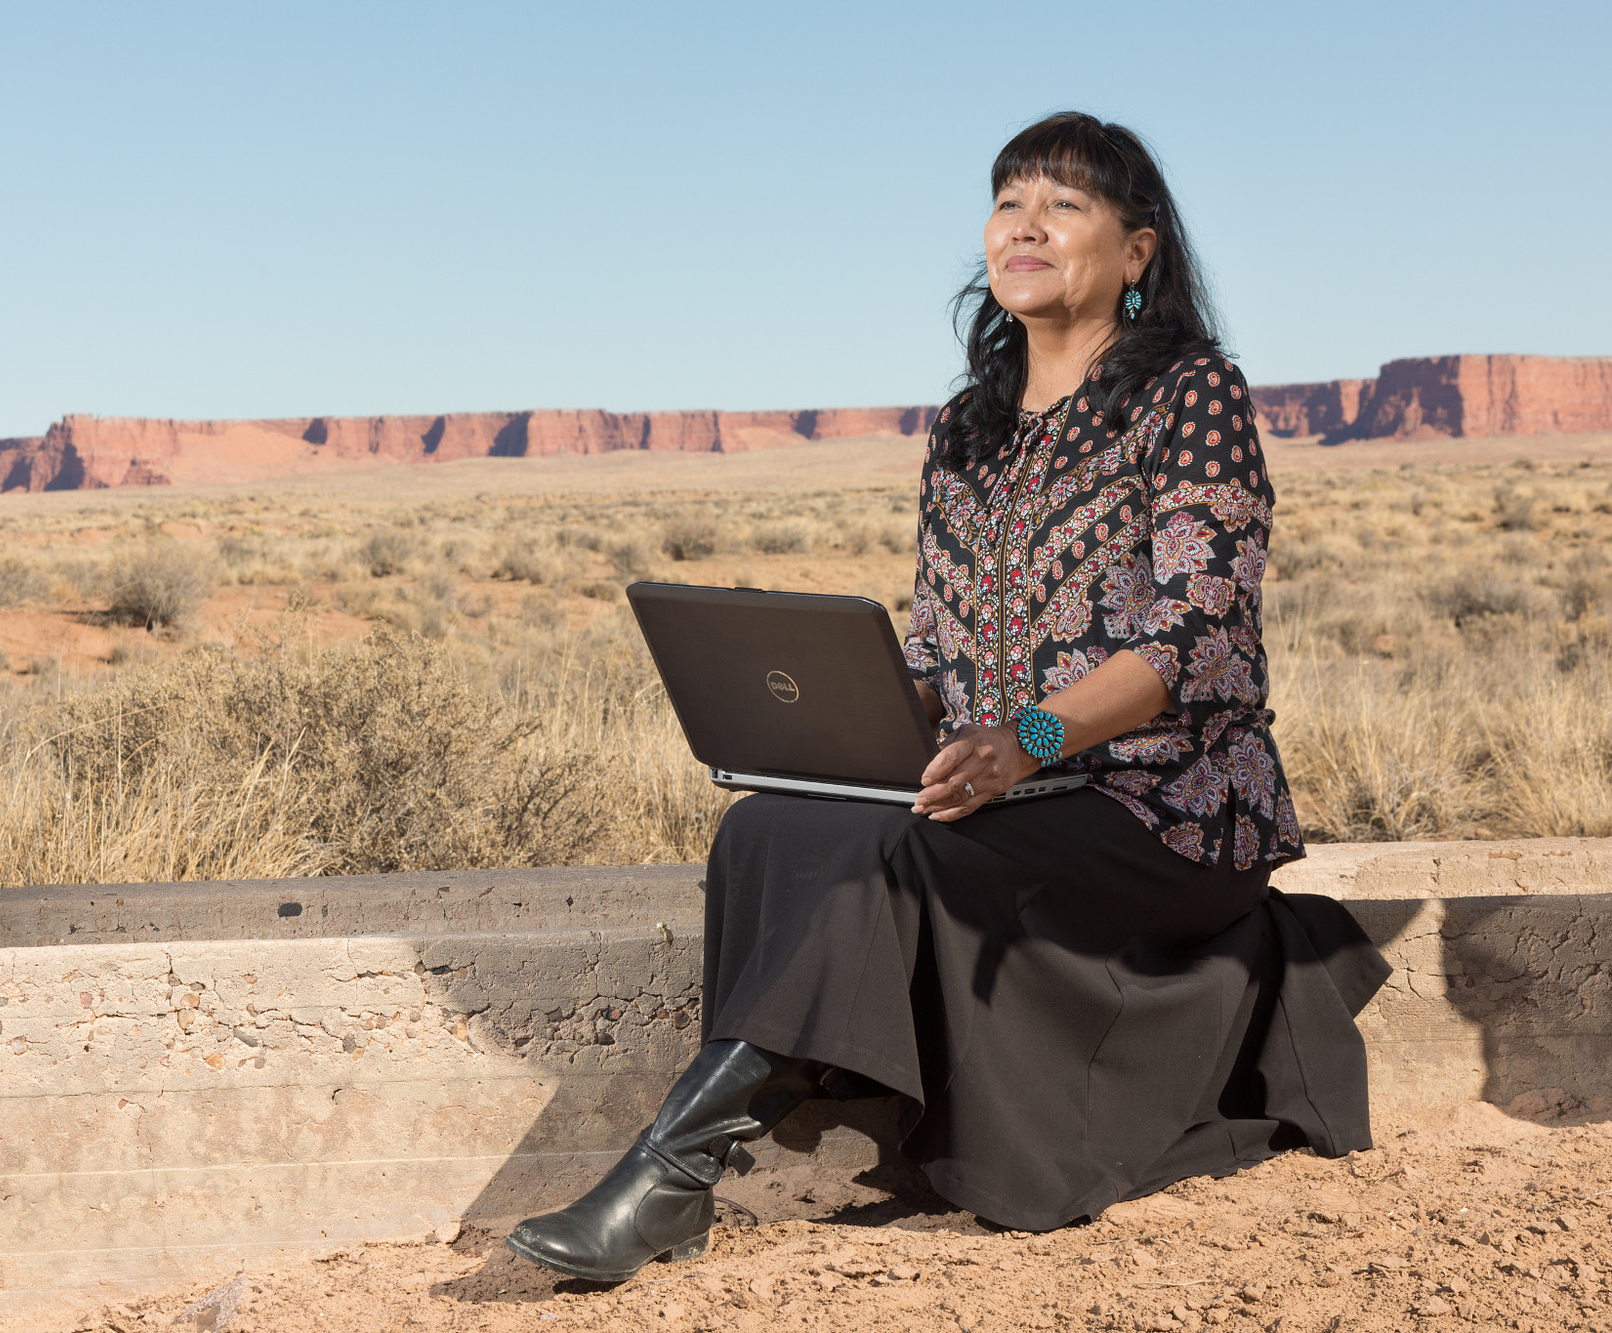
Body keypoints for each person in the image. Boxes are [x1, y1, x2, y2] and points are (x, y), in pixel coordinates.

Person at [505, 112, 1390, 1284]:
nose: (1022, 222)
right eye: (1006, 199)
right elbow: (943, 642)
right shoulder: (966, 427)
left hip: (1169, 805)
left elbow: (1198, 634)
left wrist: (1028, 738)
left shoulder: (1190, 394)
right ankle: (797, 1108)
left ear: (1135, 253)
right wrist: (845, 716)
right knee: (765, 824)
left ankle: (671, 1174)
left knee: (892, 859)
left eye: (1062, 204)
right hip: (1005, 780)